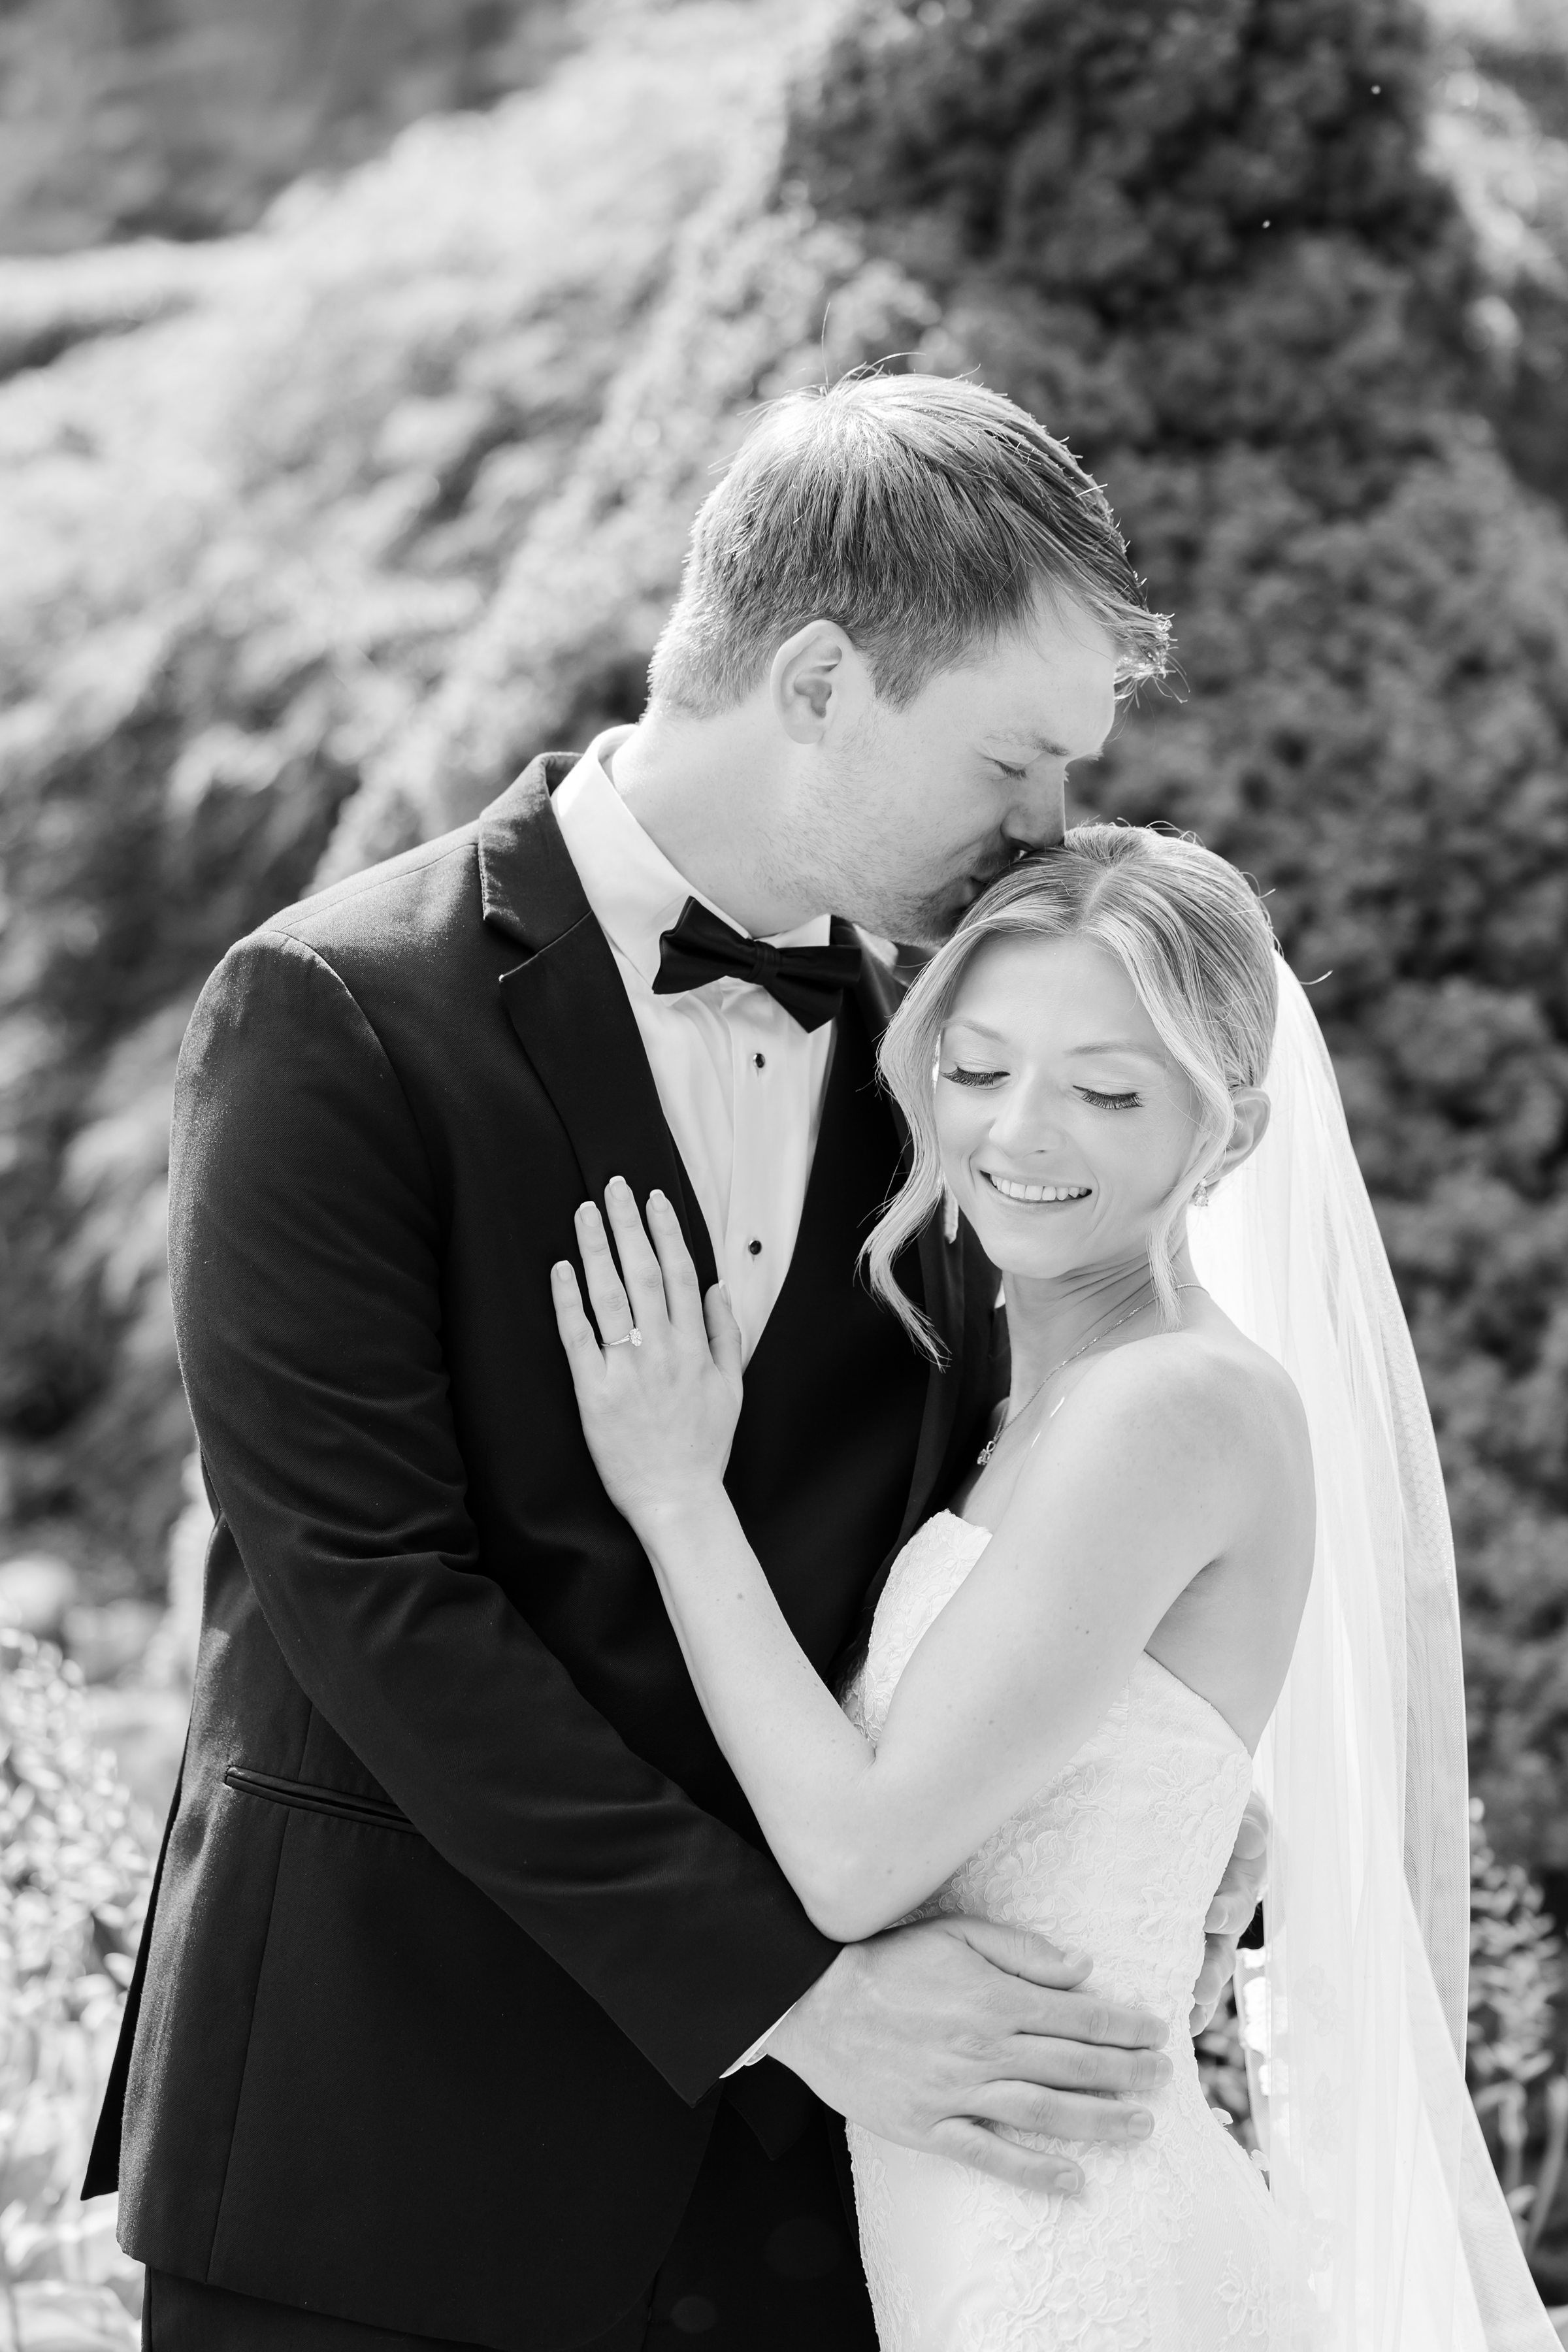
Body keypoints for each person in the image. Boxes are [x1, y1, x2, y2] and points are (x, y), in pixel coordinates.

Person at [84, 372, 1267, 2352]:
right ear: (816, 683)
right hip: (384, 2153)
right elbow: (375, 1603)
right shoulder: (332, 1015)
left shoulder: (967, 1071)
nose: (1051, 833)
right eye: (1012, 761)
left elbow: (1028, 1501)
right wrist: (800, 1996)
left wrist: (1181, 1782)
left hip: (813, 2207)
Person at [553, 827, 1567, 2349]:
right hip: (970, 2226)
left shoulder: (1166, 1411)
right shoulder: (1030, 1394)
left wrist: (675, 1495)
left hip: (1071, 2259)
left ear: (1225, 1133)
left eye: (1107, 1089)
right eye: (975, 1070)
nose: (1021, 1132)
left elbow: (854, 1862)